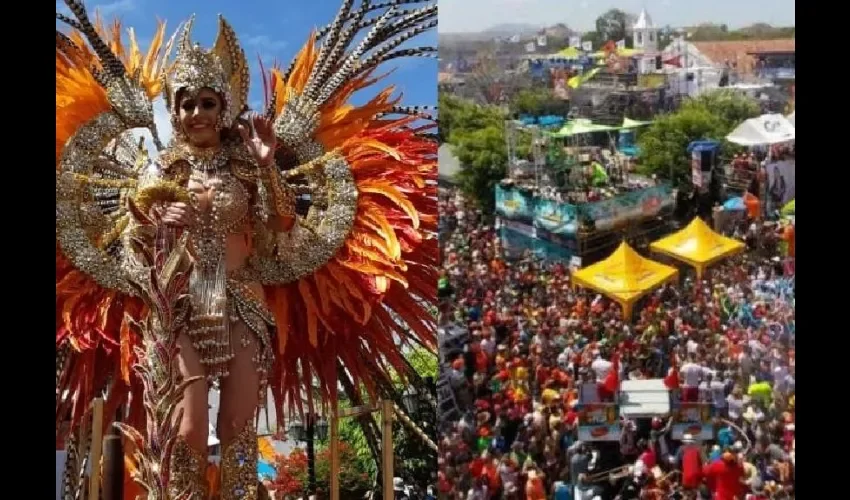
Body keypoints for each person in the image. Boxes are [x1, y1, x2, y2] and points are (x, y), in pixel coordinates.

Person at [55, 2, 437, 499]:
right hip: (176, 307)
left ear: (225, 108)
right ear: (175, 109)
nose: (197, 114)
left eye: (207, 103)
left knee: (238, 430)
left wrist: (264, 166)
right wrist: (149, 221)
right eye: (187, 103)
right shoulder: (157, 173)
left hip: (243, 305)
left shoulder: (248, 168)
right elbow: (130, 252)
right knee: (186, 430)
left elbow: (280, 227)